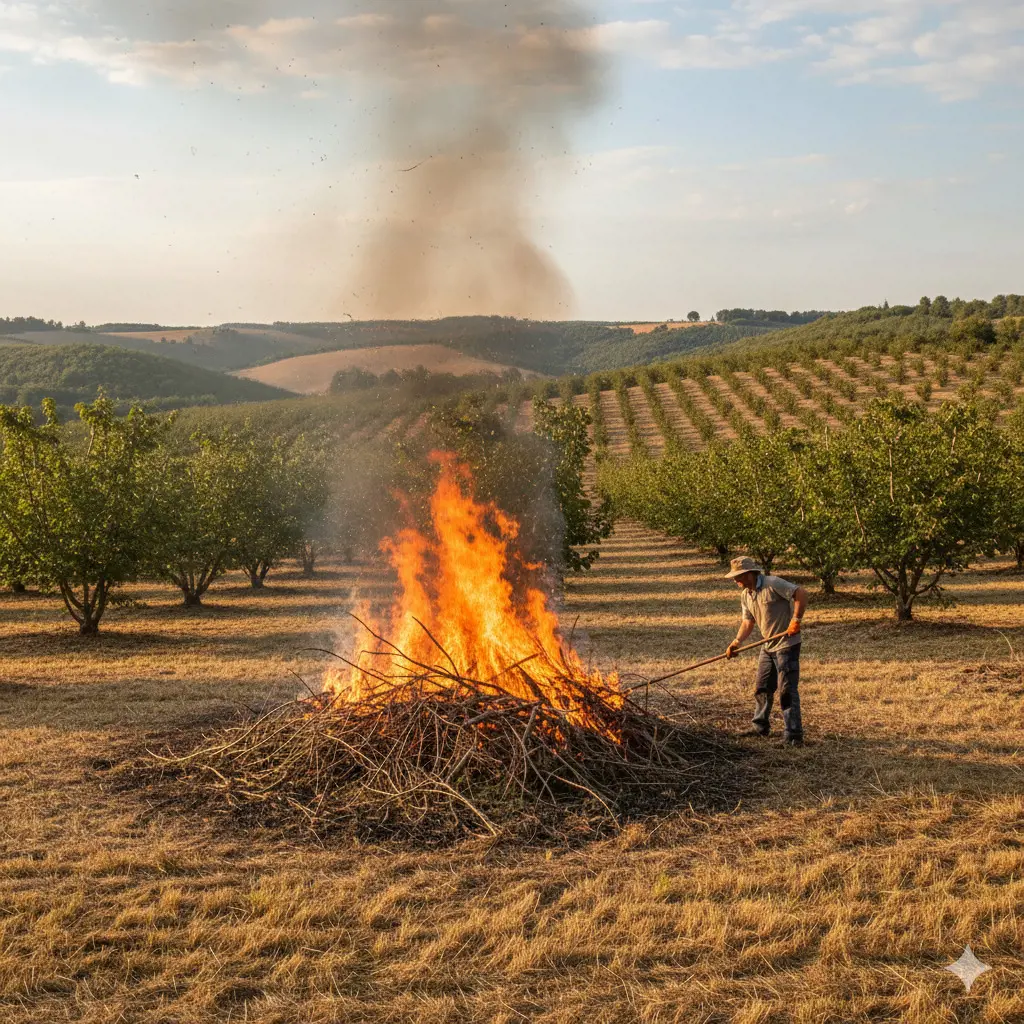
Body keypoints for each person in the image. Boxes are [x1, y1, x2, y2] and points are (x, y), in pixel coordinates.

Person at [723, 556, 808, 745]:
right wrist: (736, 642)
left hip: (787, 644)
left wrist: (796, 620)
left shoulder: (773, 583)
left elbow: (800, 593)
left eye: (738, 576)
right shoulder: (746, 595)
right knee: (762, 687)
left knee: (786, 690)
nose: (735, 580)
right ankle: (760, 727)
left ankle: (794, 735)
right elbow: (748, 622)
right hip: (767, 646)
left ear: (750, 574)